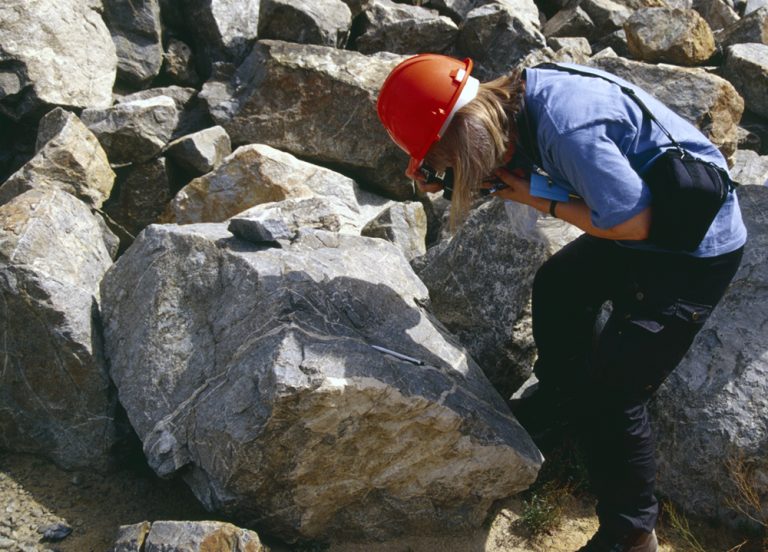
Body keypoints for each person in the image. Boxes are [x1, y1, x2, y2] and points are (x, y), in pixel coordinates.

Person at [376, 54, 747, 552]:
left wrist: (538, 200)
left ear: (464, 129)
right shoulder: (515, 99)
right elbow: (526, 166)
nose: (444, 169)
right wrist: (453, 171)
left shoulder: (569, 126)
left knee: (616, 391)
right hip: (643, 224)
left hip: (691, 251)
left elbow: (630, 223)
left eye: (445, 156)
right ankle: (563, 408)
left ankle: (631, 532)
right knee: (559, 288)